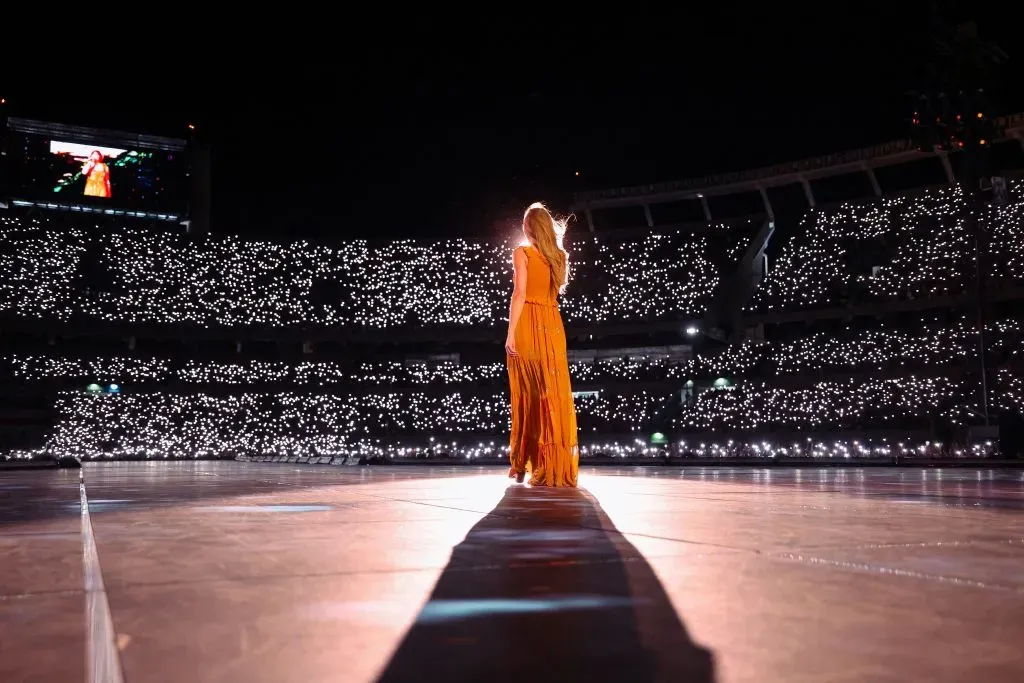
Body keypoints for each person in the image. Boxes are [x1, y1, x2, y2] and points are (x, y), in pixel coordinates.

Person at [505, 202, 579, 487]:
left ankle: (524, 464)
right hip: (552, 326)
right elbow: (554, 291)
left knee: (528, 395)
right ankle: (551, 465)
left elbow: (519, 294)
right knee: (552, 395)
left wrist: (511, 333)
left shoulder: (521, 253)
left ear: (528, 227)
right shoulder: (559, 256)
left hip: (528, 324)